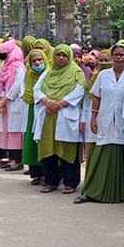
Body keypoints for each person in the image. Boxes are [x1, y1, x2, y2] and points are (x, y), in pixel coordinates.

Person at [76, 43, 124, 204]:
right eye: (116, 54)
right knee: (101, 155)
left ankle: (121, 191)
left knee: (123, 156)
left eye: (122, 55)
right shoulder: (103, 75)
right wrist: (93, 117)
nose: (118, 58)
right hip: (105, 119)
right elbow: (96, 97)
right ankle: (93, 191)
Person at [34, 44, 86, 194]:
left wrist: (59, 104)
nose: (61, 58)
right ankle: (51, 181)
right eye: (58, 55)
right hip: (47, 115)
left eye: (64, 55)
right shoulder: (48, 73)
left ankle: (71, 183)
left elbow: (79, 90)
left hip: (66, 113)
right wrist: (48, 102)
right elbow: (36, 90)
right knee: (47, 149)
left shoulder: (77, 72)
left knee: (68, 150)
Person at [0, 39, 27, 172]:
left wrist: (4, 101)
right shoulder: (3, 66)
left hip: (15, 103)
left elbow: (16, 87)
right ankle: (10, 158)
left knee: (15, 132)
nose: (1, 54)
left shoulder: (19, 67)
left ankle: (17, 161)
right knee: (6, 131)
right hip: (4, 103)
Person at [82, 50, 113, 180]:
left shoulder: (119, 77)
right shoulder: (94, 78)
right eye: (101, 61)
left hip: (110, 118)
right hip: (93, 117)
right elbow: (87, 100)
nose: (103, 63)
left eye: (107, 60)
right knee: (93, 150)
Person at [22, 48, 48, 186]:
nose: (37, 63)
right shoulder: (29, 75)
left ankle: (48, 173)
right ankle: (36, 173)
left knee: (46, 140)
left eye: (40, 60)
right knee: (32, 140)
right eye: (34, 61)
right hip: (32, 108)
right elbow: (27, 92)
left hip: (46, 108)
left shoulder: (50, 73)